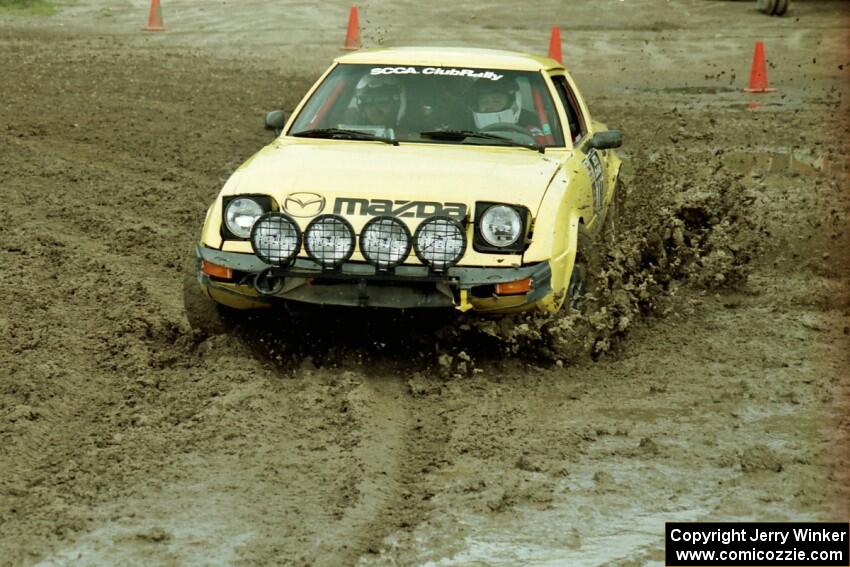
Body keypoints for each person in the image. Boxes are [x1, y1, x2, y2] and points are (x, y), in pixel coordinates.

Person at [469, 78, 539, 131]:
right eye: (484, 102)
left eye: (496, 101)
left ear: (511, 103)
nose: (489, 106)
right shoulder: (467, 127)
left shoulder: (529, 122)